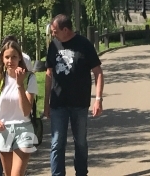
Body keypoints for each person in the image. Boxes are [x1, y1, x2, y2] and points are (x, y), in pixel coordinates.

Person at [44, 14, 103, 176]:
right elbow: (49, 74)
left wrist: (98, 99)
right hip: (58, 103)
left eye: (55, 31)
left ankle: (81, 173)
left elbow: (98, 72)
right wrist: (46, 103)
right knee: (57, 143)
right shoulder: (53, 45)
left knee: (81, 143)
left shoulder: (84, 44)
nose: (53, 34)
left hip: (79, 103)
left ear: (65, 29)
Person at [0, 39, 39, 176]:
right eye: (7, 57)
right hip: (4, 130)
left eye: (14, 57)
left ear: (20, 57)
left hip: (24, 129)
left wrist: (20, 84)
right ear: (2, 59)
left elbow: (26, 110)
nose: (10, 61)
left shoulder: (29, 78)